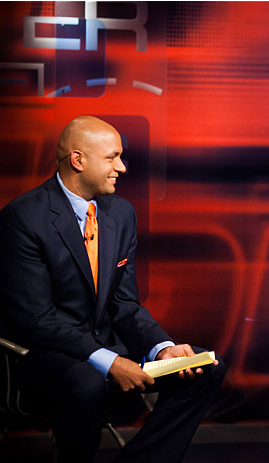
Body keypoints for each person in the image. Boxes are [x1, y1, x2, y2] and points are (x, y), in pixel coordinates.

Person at [0, 115, 226, 463]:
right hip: (43, 359)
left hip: (109, 350)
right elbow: (36, 319)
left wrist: (161, 348)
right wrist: (110, 362)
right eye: (112, 157)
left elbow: (124, 304)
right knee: (87, 382)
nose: (121, 167)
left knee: (204, 369)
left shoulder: (121, 214)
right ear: (78, 160)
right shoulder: (23, 217)